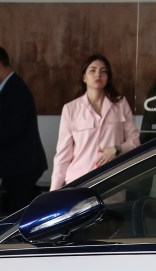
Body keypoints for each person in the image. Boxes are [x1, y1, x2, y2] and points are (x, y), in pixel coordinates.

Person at [0, 46, 48, 213]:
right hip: (18, 166)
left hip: (22, 166)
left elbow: (15, 129)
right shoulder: (10, 88)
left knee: (16, 217)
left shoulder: (15, 90)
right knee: (12, 212)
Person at [50, 54, 141, 190]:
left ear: (108, 77)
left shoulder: (120, 104)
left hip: (112, 180)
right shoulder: (71, 109)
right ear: (84, 77)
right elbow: (62, 155)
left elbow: (135, 142)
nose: (98, 74)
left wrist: (116, 150)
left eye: (103, 71)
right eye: (92, 70)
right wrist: (53, 192)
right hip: (79, 181)